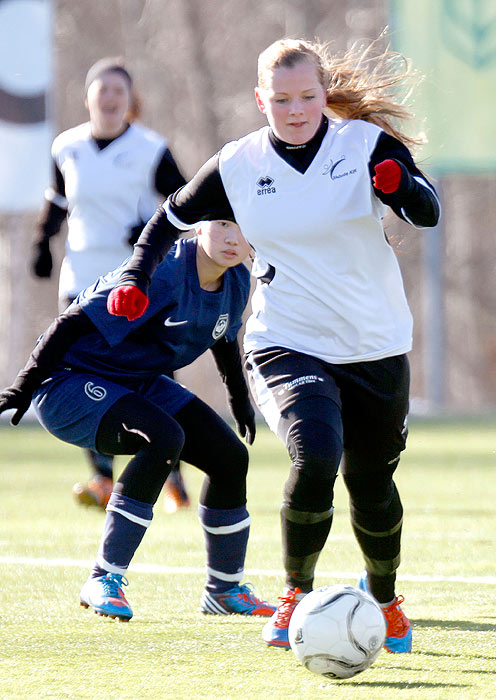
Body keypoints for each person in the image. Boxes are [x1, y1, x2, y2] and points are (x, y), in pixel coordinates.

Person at [105, 37, 440, 651]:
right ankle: (294, 594)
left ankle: (387, 599)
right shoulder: (238, 163)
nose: (295, 109)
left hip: (375, 340)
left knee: (371, 484)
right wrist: (135, 274)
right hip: (286, 338)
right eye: (281, 99)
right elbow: (168, 219)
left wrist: (399, 187)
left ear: (323, 95)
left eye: (308, 96)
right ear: (261, 100)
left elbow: (428, 212)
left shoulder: (363, 145)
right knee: (314, 456)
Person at [0, 220, 274, 621]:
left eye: (243, 227)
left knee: (229, 457)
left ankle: (224, 590)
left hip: (136, 382)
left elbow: (223, 337)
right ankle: (103, 579)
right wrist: (22, 388)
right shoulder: (162, 271)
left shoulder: (236, 279)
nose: (233, 238)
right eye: (221, 224)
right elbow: (70, 322)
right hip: (68, 382)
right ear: (198, 228)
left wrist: (239, 400)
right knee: (164, 437)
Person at [32, 57, 193, 513]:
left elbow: (184, 202)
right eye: (101, 90)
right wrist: (43, 242)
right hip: (81, 278)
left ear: (129, 100)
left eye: (117, 92)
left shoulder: (151, 147)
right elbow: (59, 199)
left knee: (151, 371)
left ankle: (173, 474)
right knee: (81, 373)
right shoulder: (68, 146)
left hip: (136, 282)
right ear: (88, 97)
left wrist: (149, 228)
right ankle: (102, 476)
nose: (109, 99)